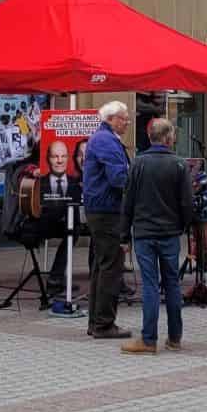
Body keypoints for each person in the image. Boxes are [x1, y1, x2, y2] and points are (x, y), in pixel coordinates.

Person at [119, 118, 192, 354]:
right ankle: (175, 337)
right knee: (172, 284)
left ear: (150, 137)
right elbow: (187, 203)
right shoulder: (179, 164)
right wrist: (182, 226)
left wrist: (123, 236)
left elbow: (127, 202)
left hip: (144, 233)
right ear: (169, 138)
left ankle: (149, 339)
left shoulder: (138, 164)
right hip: (170, 233)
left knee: (150, 285)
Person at [83, 101, 132, 340]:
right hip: (107, 210)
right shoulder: (106, 140)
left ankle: (96, 322)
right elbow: (118, 178)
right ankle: (104, 323)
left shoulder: (102, 138)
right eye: (124, 118)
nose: (127, 122)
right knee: (111, 267)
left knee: (101, 267)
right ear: (112, 118)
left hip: (99, 209)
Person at [41, 140, 80, 295]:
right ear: (48, 159)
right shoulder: (40, 182)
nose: (59, 160)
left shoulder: (75, 183)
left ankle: (56, 278)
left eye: (63, 156)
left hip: (68, 224)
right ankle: (55, 279)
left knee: (74, 231)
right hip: (44, 223)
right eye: (54, 156)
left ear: (68, 158)